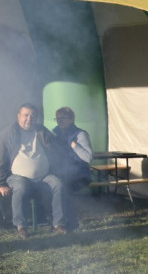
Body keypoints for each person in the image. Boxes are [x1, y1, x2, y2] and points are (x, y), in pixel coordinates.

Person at [0, 102, 66, 237]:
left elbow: (55, 149)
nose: (29, 119)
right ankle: (21, 226)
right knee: (21, 186)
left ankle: (57, 224)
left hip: (43, 176)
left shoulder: (42, 131)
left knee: (58, 184)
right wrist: (1, 183)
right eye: (26, 115)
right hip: (16, 176)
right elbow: (1, 159)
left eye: (33, 116)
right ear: (18, 116)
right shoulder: (8, 133)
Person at [50, 106, 93, 230]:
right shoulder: (55, 133)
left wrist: (74, 145)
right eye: (57, 119)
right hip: (63, 173)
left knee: (65, 188)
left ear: (71, 119)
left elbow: (88, 157)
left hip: (81, 174)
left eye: (63, 118)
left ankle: (72, 222)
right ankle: (56, 221)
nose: (59, 121)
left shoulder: (80, 135)